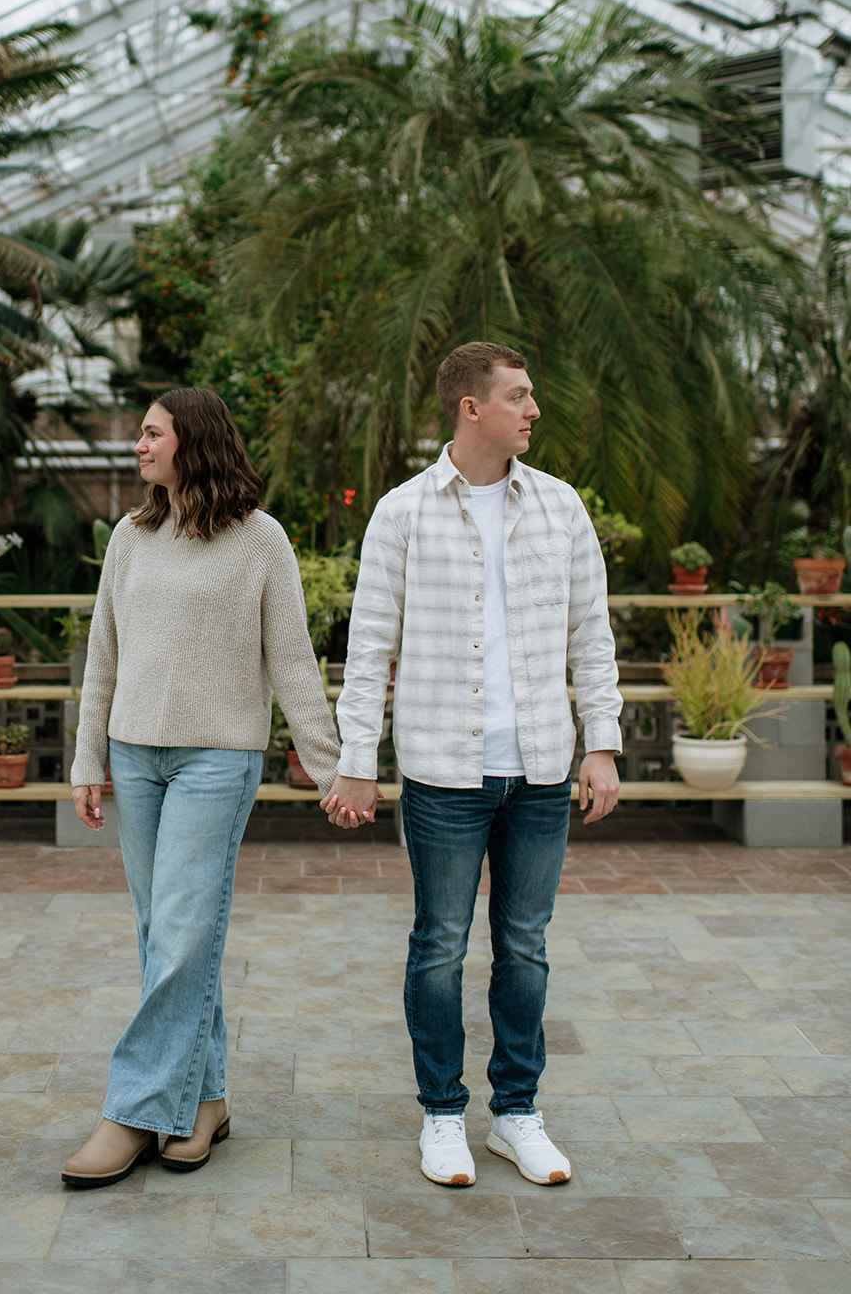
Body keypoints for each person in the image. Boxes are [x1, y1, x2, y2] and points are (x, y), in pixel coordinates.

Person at [323, 341, 622, 1188]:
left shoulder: (561, 506)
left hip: (541, 769)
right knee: (440, 947)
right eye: (518, 396)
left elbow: (591, 634)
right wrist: (356, 761)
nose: (534, 410)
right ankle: (443, 1115)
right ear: (471, 407)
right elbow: (368, 648)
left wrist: (600, 744)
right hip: (442, 771)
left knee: (524, 947)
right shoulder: (403, 513)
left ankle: (517, 1114)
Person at [61, 387, 339, 1188]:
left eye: (152, 434)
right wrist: (87, 759)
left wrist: (333, 769)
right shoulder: (131, 535)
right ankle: (205, 1101)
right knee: (165, 935)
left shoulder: (260, 540)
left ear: (194, 440)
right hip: (134, 755)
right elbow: (103, 655)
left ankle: (132, 1109)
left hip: (216, 759)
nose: (139, 446)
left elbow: (292, 660)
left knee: (183, 934)